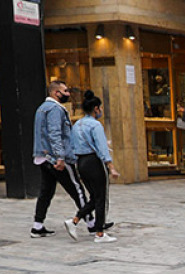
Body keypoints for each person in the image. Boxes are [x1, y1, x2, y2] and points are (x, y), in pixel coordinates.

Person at [30, 80, 89, 238]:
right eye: (65, 91)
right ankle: (92, 223)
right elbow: (55, 134)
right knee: (77, 189)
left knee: (46, 192)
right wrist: (60, 157)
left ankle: (37, 226)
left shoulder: (42, 108)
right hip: (55, 158)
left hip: (43, 157)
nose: (68, 94)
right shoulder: (55, 109)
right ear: (56, 93)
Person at [63, 90, 119, 243]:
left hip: (81, 163)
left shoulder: (77, 125)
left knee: (94, 197)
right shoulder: (95, 126)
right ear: (96, 108)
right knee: (101, 198)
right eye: (99, 108)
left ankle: (75, 220)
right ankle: (99, 233)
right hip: (94, 162)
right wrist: (111, 166)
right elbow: (102, 148)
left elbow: (72, 146)